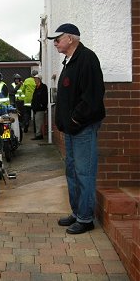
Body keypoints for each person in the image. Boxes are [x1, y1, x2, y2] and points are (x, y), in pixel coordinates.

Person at [47, 23, 105, 234]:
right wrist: (64, 122)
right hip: (72, 130)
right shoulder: (70, 61)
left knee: (84, 173)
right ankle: (77, 212)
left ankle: (86, 218)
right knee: (72, 172)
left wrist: (75, 120)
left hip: (82, 129)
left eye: (58, 38)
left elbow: (93, 96)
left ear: (70, 38)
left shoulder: (87, 58)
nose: (55, 43)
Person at [30, 74, 48, 140]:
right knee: (36, 122)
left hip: (40, 108)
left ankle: (39, 135)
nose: (34, 80)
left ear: (39, 79)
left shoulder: (43, 87)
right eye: (34, 79)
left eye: (36, 79)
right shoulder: (36, 87)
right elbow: (35, 98)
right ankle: (38, 134)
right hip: (36, 108)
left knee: (38, 122)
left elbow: (44, 97)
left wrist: (42, 105)